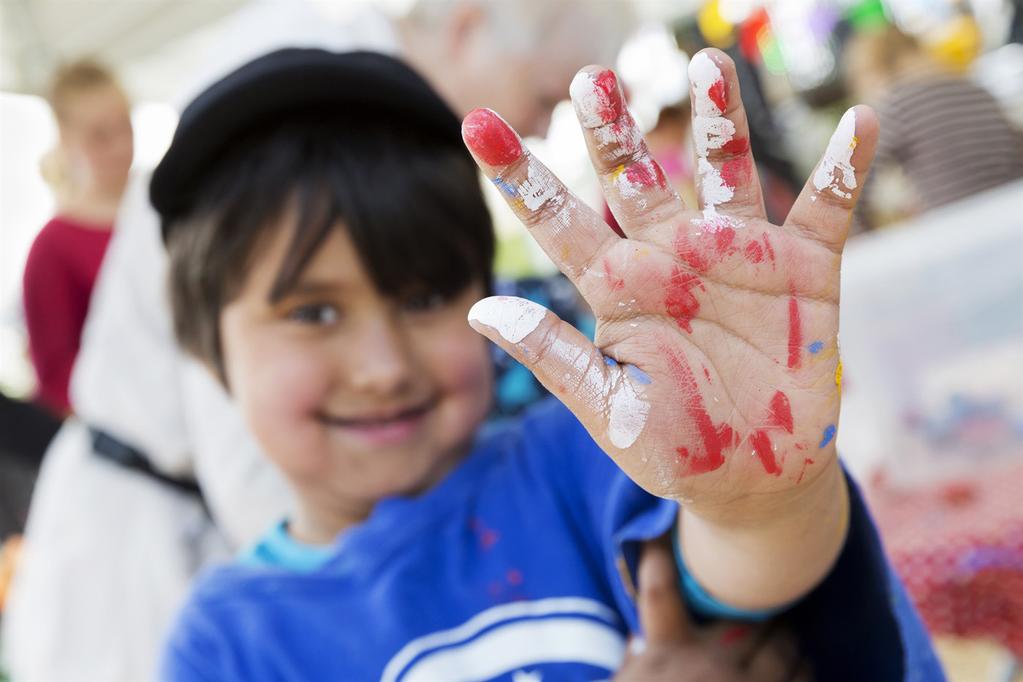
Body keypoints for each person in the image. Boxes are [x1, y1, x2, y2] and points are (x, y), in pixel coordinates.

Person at [155, 48, 943, 680]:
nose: (381, 366)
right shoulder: (229, 644)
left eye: (424, 296)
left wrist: (762, 504)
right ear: (202, 341)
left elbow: (749, 563)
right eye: (312, 312)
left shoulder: (577, 459)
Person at [1, 3, 630, 680]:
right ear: (466, 27)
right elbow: (253, 463)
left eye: (423, 299)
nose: (540, 126)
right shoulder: (294, 93)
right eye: (542, 96)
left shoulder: (552, 472)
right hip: (138, 544)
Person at [22, 59, 133, 417]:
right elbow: (56, 379)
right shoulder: (52, 247)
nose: (119, 146)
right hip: (120, 427)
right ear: (67, 138)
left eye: (125, 127)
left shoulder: (166, 207)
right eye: (100, 135)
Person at [844, 25, 1023, 228]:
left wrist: (859, 235)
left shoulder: (898, 104)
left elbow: (851, 182)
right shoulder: (973, 88)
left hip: (958, 229)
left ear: (872, 71)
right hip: (1013, 216)